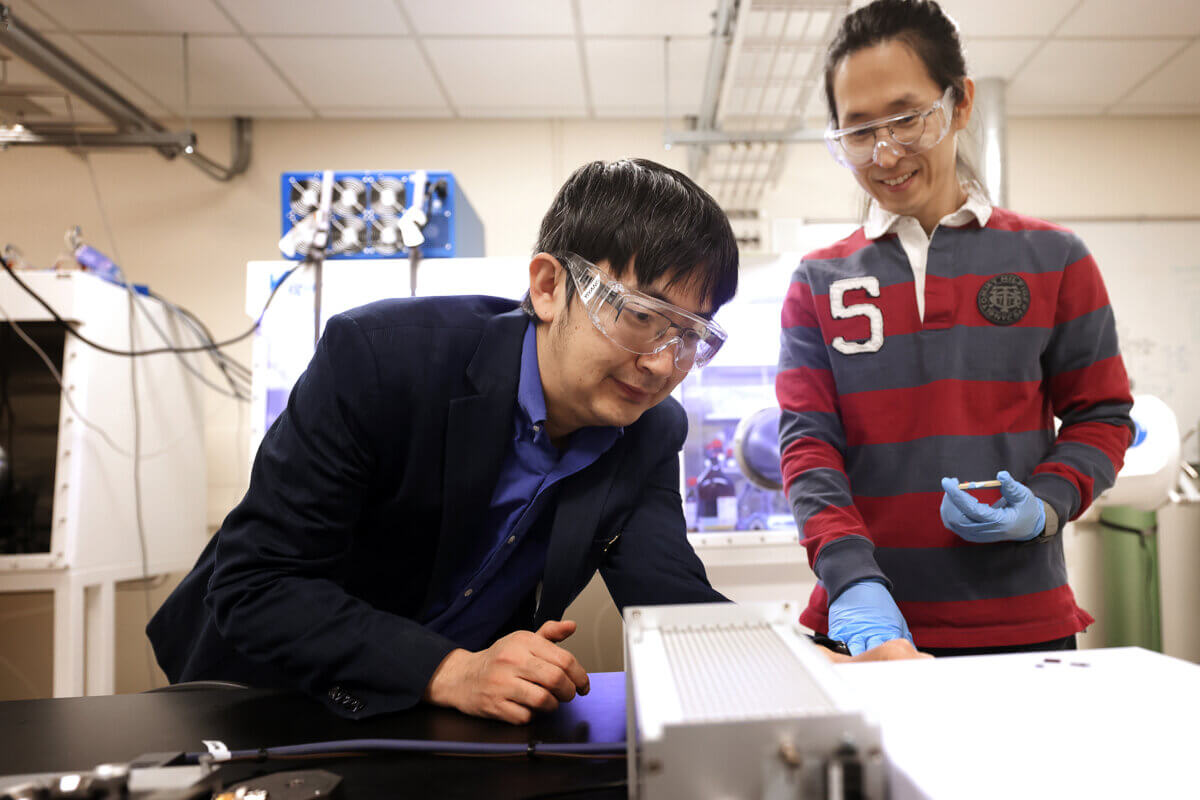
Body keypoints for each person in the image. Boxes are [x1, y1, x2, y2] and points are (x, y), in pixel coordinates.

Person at [150, 158, 920, 725]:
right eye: (640, 314)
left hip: (432, 721)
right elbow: (258, 586)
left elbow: (672, 601)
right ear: (550, 286)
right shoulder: (382, 360)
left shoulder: (649, 432)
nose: (661, 363)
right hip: (259, 699)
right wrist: (449, 668)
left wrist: (819, 665)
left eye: (691, 337)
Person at [776, 0, 1134, 658]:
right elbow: (808, 450)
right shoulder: (817, 281)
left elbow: (1104, 416)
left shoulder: (1055, 259)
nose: (886, 153)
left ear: (960, 103)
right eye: (859, 132)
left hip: (1023, 628)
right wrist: (852, 581)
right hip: (866, 637)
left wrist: (1046, 503)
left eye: (909, 118)